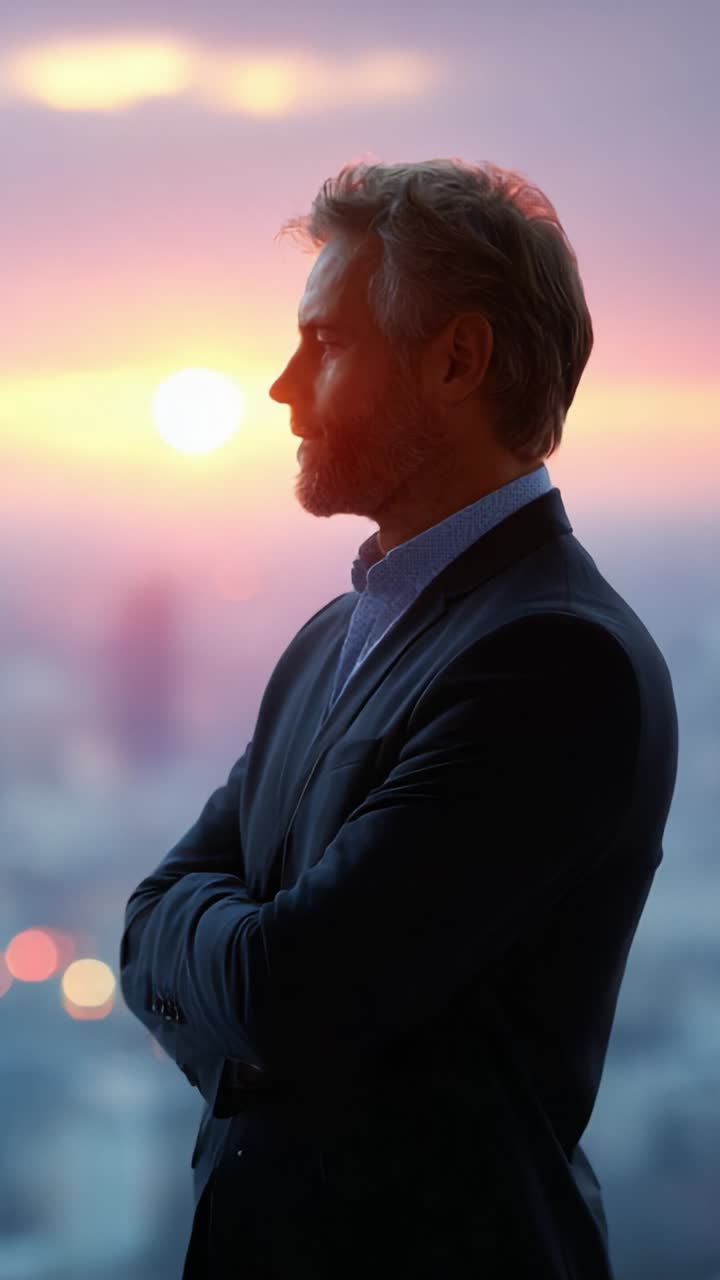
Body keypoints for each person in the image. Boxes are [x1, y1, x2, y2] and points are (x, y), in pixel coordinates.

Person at [119, 159, 678, 1278]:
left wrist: (228, 974)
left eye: (324, 342)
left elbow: (288, 993)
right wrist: (238, 973)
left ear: (456, 359)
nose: (281, 385)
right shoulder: (333, 636)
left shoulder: (557, 660)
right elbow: (146, 918)